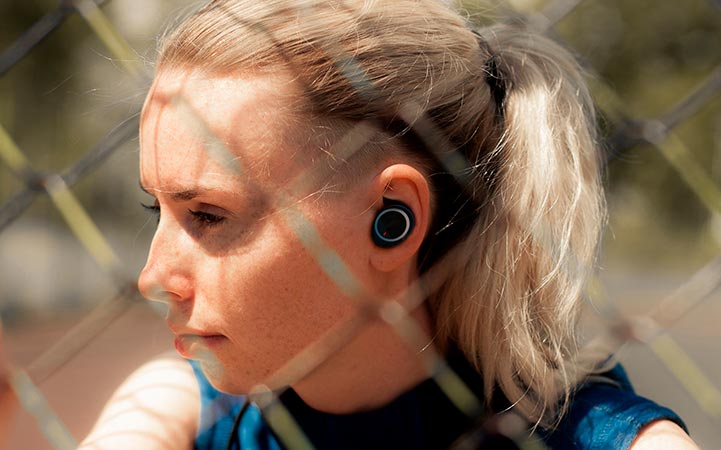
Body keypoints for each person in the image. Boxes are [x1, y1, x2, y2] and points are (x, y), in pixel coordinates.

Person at [0, 0, 699, 448]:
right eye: (160, 210)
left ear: (391, 219)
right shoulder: (182, 407)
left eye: (208, 215)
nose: (152, 278)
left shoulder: (600, 438)